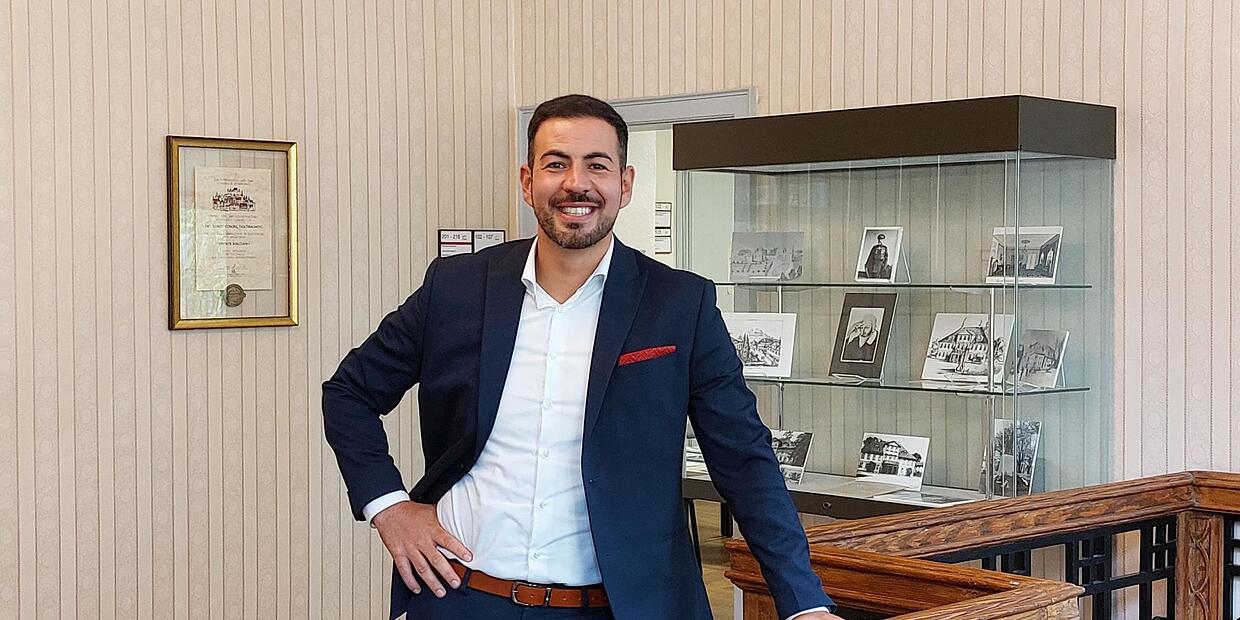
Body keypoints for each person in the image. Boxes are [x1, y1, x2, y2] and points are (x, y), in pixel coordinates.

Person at [323, 94, 841, 620]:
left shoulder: (680, 305)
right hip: (462, 598)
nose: (577, 183)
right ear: (527, 182)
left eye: (597, 165)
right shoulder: (456, 288)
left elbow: (745, 461)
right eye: (556, 164)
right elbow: (348, 393)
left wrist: (804, 603)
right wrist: (389, 506)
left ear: (625, 184)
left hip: (620, 607)